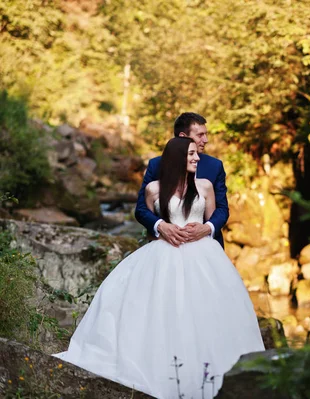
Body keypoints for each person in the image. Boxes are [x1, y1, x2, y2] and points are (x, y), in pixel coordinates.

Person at [54, 137, 265, 398]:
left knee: (207, 311)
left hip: (204, 257)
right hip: (165, 254)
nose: (197, 158)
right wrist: (161, 227)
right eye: (190, 154)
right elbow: (146, 219)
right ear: (177, 157)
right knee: (162, 309)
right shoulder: (154, 189)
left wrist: (204, 229)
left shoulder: (205, 186)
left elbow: (214, 219)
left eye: (195, 154)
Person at [135, 112, 229, 248]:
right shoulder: (156, 165)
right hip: (166, 246)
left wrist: (207, 228)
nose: (206, 140)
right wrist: (160, 226)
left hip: (206, 247)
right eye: (200, 135)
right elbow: (141, 209)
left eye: (206, 134)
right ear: (183, 138)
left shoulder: (214, 166)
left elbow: (222, 208)